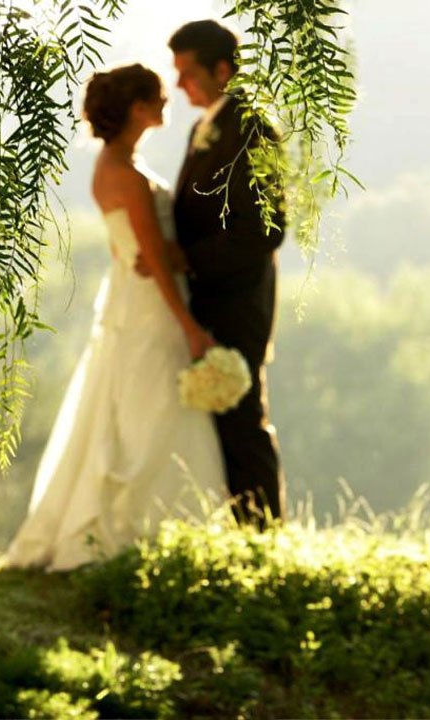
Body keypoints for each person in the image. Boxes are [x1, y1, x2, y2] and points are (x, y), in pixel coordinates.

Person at [6, 64, 227, 571]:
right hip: (151, 306)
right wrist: (190, 327)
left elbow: (135, 248)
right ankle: (138, 529)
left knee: (134, 406)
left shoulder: (114, 163)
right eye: (156, 96)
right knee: (152, 411)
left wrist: (166, 256)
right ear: (136, 108)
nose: (167, 100)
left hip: (132, 296)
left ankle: (142, 525)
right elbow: (153, 257)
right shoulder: (125, 173)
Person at [168, 19, 286, 524]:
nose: (178, 86)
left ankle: (263, 535)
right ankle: (238, 527)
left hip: (239, 300)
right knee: (221, 421)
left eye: (187, 73)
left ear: (222, 68)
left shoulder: (255, 128)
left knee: (242, 419)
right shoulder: (203, 126)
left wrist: (190, 260)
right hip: (206, 298)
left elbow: (266, 229)